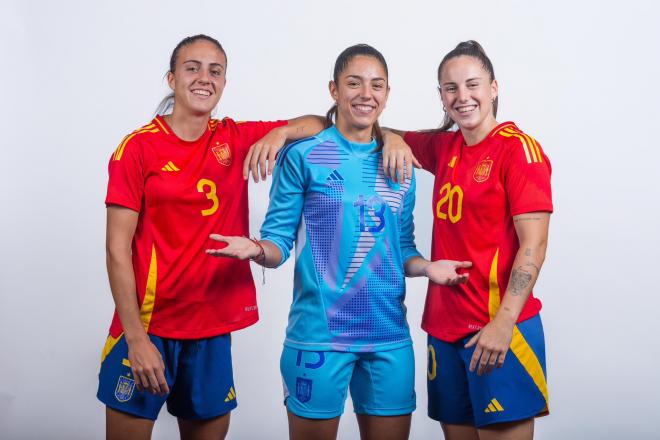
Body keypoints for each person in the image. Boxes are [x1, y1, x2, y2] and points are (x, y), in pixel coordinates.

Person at [207, 44, 471, 440]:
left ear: (387, 94)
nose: (366, 94)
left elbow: (402, 247)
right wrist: (257, 249)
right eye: (354, 83)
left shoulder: (401, 164)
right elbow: (278, 243)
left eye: (376, 85)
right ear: (334, 90)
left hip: (388, 338)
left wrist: (426, 267)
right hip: (318, 337)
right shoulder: (303, 156)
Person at [97, 34, 330, 440]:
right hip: (150, 325)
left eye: (215, 71)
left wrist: (279, 134)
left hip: (210, 327)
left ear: (224, 82)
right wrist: (136, 339)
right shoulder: (137, 148)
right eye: (192, 68)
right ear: (171, 78)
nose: (204, 78)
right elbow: (117, 249)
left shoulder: (234, 137)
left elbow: (321, 124)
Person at [390, 40, 553, 440]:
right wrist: (394, 140)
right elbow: (368, 127)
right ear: (441, 96)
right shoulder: (445, 145)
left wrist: (504, 323)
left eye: (472, 85)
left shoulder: (519, 151)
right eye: (450, 88)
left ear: (493, 88)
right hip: (443, 329)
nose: (462, 97)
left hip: (496, 328)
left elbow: (534, 246)